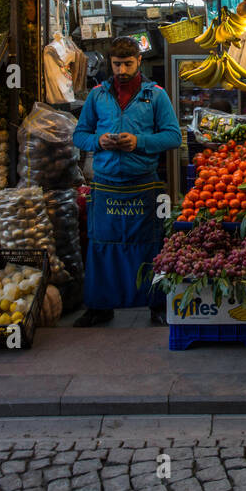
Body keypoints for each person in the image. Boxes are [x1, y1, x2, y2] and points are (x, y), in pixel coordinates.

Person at [72, 36, 182, 326]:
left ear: (139, 61)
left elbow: (174, 136)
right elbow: (78, 135)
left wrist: (140, 142)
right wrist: (98, 140)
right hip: (105, 185)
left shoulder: (155, 94)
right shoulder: (97, 95)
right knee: (101, 245)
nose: (121, 70)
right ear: (110, 62)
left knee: (149, 244)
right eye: (117, 64)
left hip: (143, 184)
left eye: (127, 64)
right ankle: (99, 307)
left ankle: (156, 304)